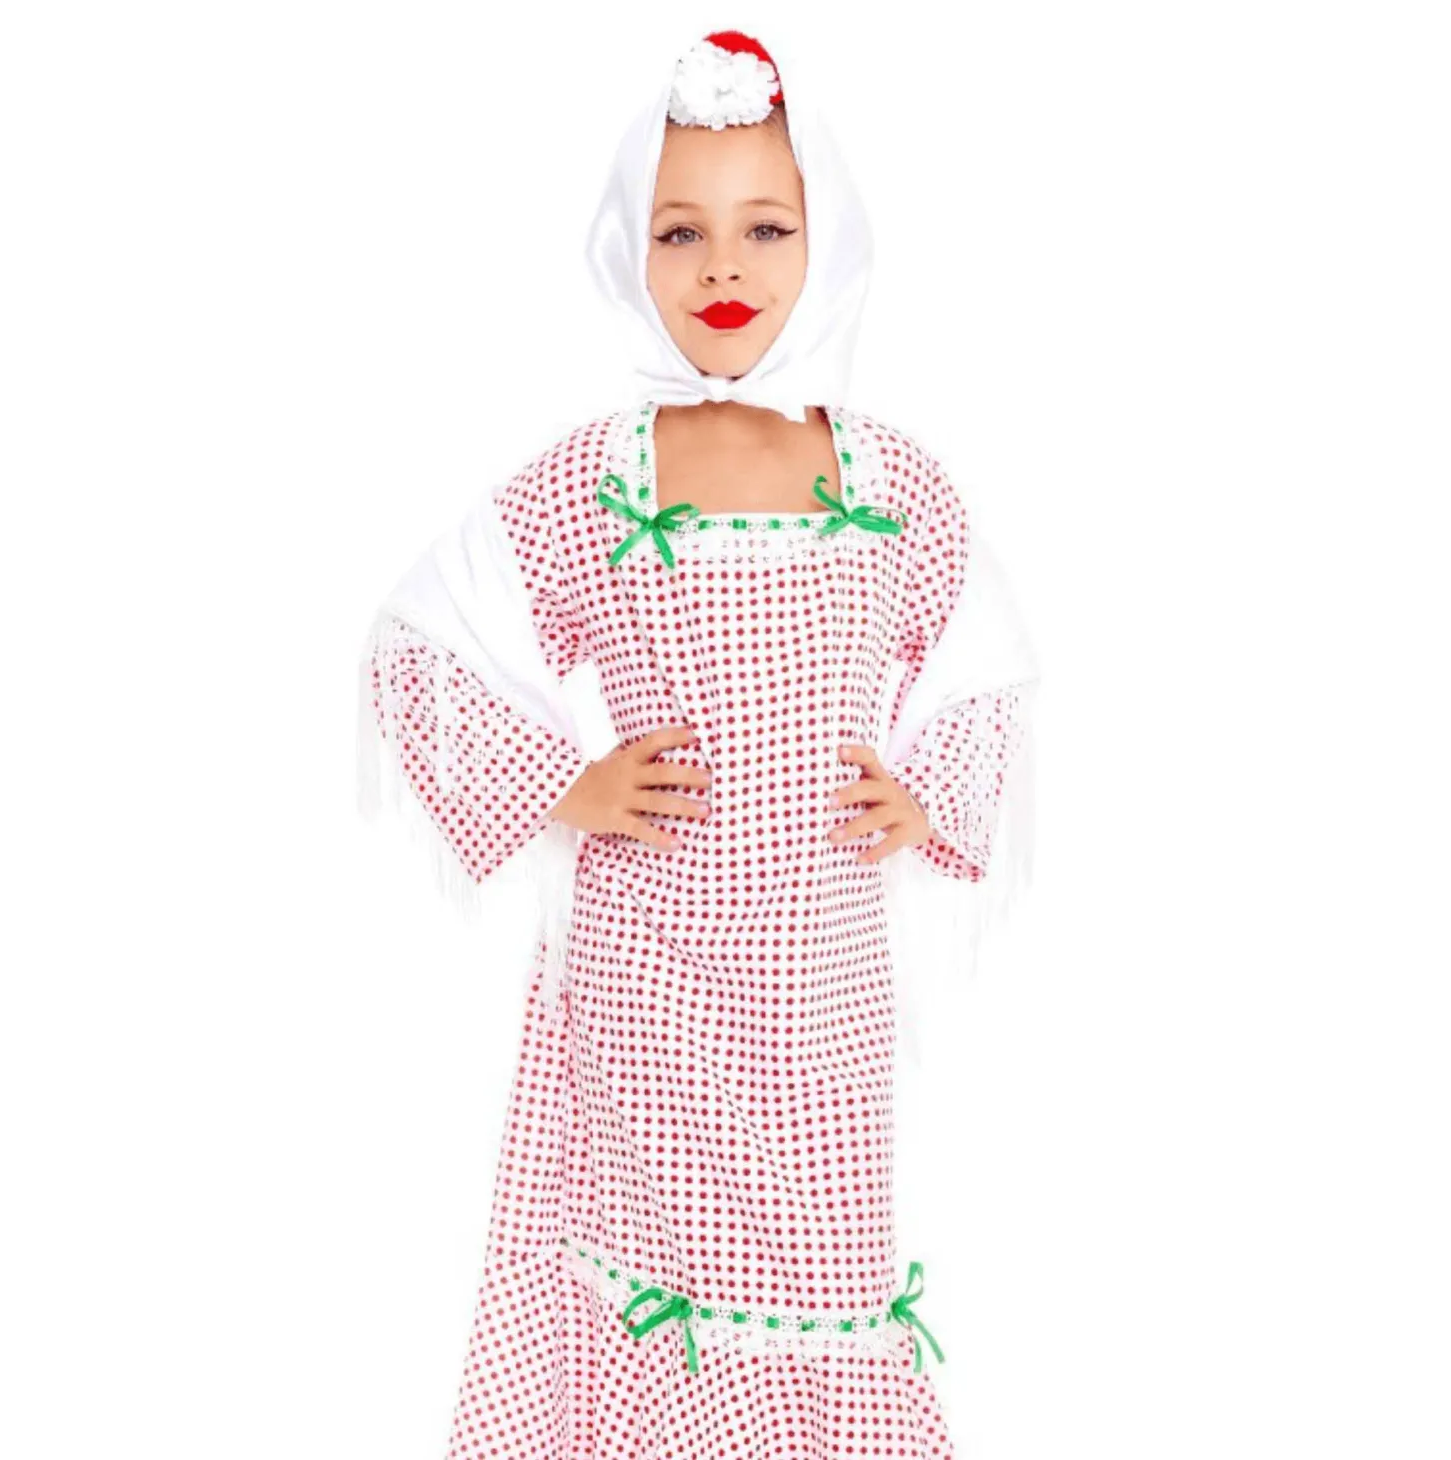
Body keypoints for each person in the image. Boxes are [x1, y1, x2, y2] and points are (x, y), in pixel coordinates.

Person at [357, 27, 1040, 1459]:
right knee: (658, 1274)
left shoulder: (892, 479)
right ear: (632, 248)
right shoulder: (597, 477)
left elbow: (983, 662)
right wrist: (565, 782)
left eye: (765, 227)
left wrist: (926, 798)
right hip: (646, 973)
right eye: (682, 231)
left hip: (823, 978)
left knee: (826, 1257)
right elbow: (420, 642)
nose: (723, 266)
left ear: (827, 236)